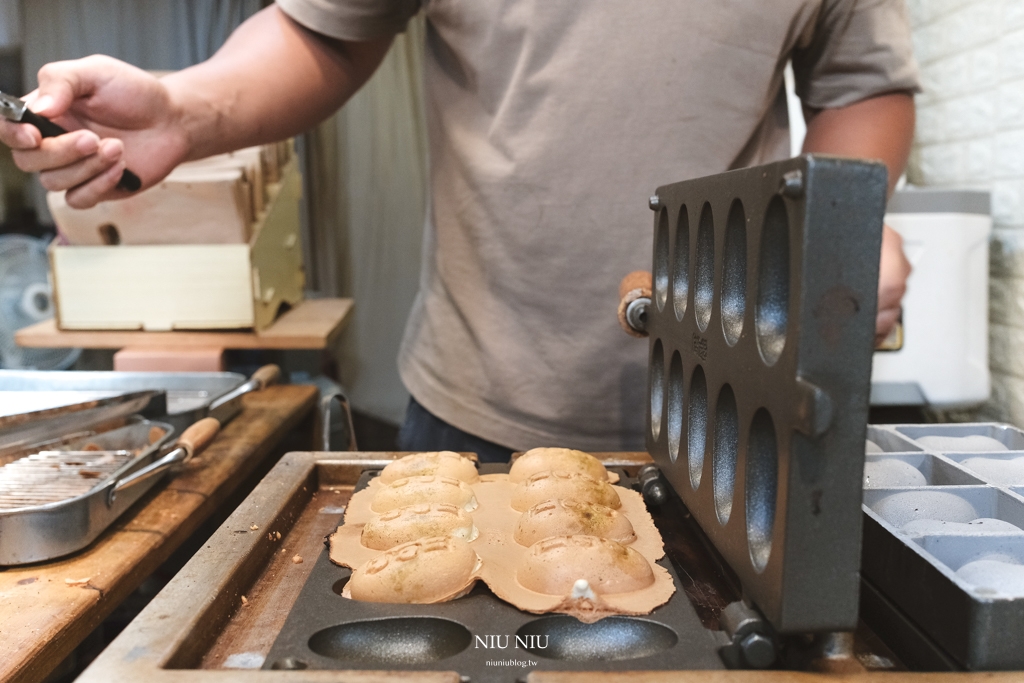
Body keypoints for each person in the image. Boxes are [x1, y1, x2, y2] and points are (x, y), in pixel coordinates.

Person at [0, 1, 918, 461]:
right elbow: (329, 30)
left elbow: (859, 81)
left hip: (737, 415)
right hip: (479, 401)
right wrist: (183, 109)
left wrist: (842, 215)